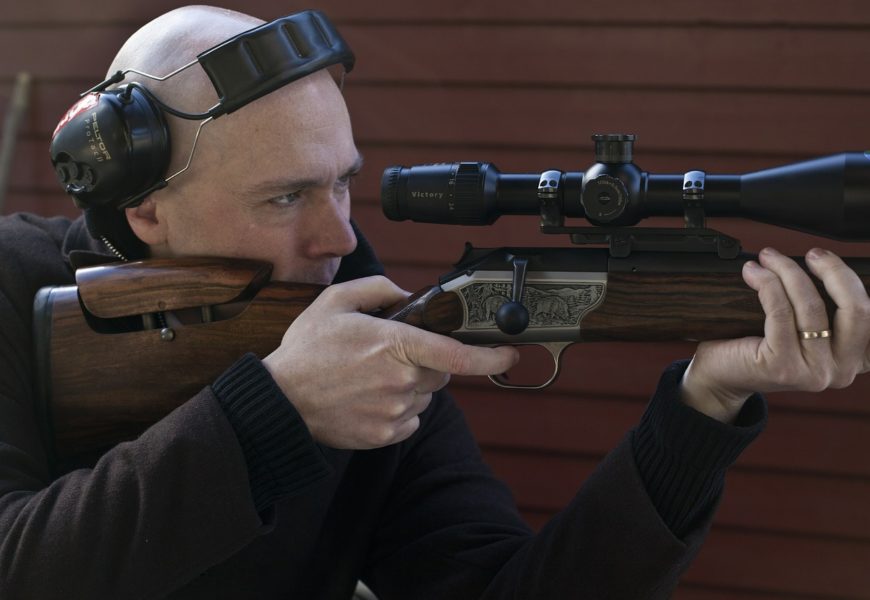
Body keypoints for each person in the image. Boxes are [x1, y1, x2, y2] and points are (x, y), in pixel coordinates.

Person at [1, 6, 868, 599]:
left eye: (341, 183)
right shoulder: (15, 285)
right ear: (141, 204)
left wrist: (702, 407)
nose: (338, 239)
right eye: (284, 198)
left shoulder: (355, 319)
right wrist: (277, 412)